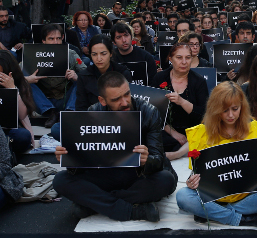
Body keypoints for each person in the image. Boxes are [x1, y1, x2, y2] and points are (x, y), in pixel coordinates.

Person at [53, 72, 177, 222]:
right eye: (116, 99)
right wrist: (69, 158)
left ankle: (93, 205)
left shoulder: (149, 111)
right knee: (60, 180)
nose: (124, 102)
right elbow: (82, 163)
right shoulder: (94, 112)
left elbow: (158, 158)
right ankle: (132, 211)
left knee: (166, 180)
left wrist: (146, 160)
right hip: (106, 173)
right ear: (102, 100)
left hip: (137, 175)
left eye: (127, 94)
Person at [176, 81, 257, 228]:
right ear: (215, 109)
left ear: (242, 107)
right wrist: (191, 182)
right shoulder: (203, 133)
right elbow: (198, 171)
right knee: (183, 197)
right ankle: (241, 218)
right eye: (225, 110)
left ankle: (212, 214)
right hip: (214, 197)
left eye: (235, 109)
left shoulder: (253, 130)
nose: (231, 115)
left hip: (245, 196)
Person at [151, 43, 209, 160]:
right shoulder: (159, 78)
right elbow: (152, 112)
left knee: (206, 131)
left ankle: (175, 154)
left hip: (192, 130)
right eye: (179, 57)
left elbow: (203, 114)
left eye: (188, 58)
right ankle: (181, 149)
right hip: (167, 131)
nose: (184, 62)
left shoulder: (199, 81)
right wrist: (173, 133)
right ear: (170, 59)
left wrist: (182, 102)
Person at [26, 24, 86, 128]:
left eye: (58, 38)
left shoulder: (71, 54)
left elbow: (88, 75)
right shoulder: (33, 55)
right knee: (25, 82)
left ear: (63, 38)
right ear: (43, 41)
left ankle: (69, 114)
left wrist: (76, 76)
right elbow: (15, 77)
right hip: (44, 101)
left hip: (65, 100)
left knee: (81, 82)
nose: (56, 42)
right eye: (51, 39)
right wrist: (28, 79)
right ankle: (51, 113)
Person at [0, 50, 36, 154]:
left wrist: (12, 90)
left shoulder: (21, 83)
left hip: (9, 130)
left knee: (23, 136)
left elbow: (22, 115)